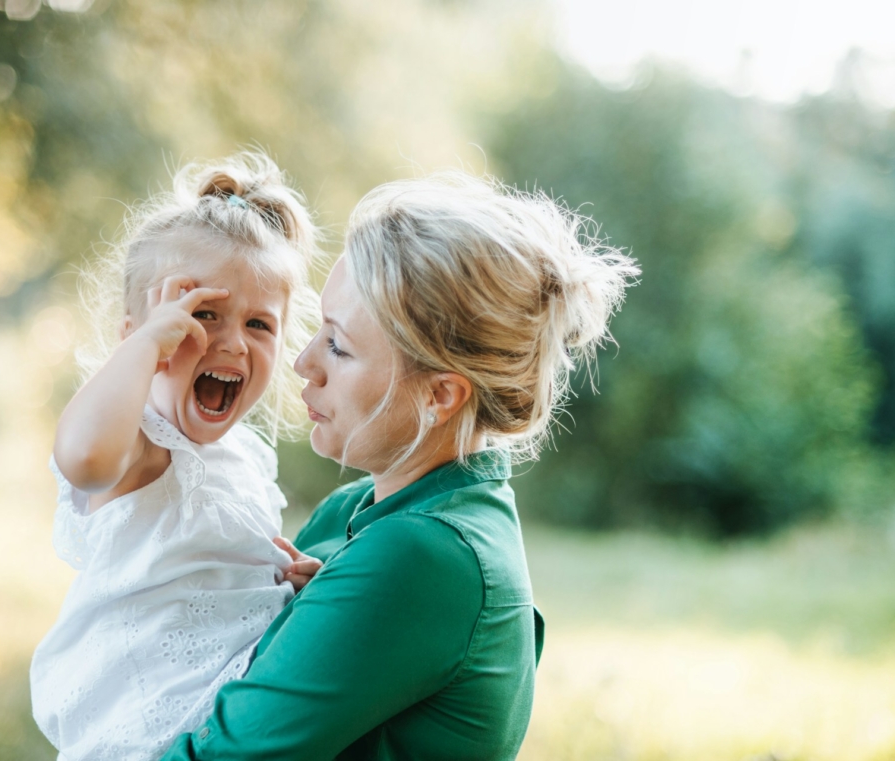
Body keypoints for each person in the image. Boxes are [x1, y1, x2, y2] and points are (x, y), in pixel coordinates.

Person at [163, 171, 639, 760]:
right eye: (317, 332)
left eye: (338, 345)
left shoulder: (425, 557)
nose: (304, 365)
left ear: (441, 395)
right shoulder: (356, 514)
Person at [30, 152, 325, 761]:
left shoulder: (246, 457)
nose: (233, 342)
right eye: (203, 316)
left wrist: (290, 587)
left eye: (260, 325)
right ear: (137, 332)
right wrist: (145, 349)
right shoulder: (136, 443)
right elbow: (82, 460)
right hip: (131, 737)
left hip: (218, 730)